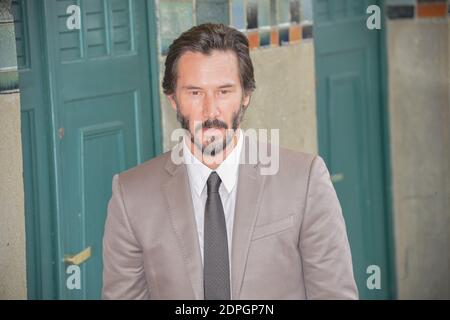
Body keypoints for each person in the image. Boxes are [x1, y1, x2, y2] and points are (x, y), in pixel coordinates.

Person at [102, 23, 358, 300]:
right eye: (195, 92)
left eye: (224, 91)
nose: (211, 110)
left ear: (246, 95)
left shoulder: (304, 179)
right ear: (173, 99)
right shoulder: (131, 195)